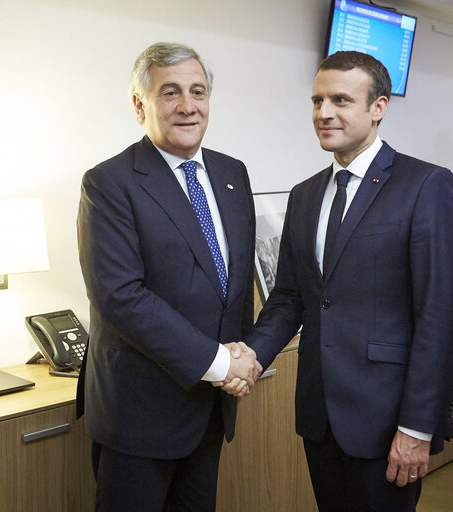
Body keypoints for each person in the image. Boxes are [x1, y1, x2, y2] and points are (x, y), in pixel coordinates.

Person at [220, 51, 453, 511]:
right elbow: (290, 297)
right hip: (319, 414)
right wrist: (251, 353)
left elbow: (441, 317)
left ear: (379, 107)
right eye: (317, 101)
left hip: (388, 419)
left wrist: (418, 427)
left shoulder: (425, 185)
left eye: (340, 100)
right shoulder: (305, 194)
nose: (324, 113)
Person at [77, 42, 261, 512]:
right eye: (170, 92)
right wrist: (222, 364)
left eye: (197, 92)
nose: (187, 106)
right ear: (140, 105)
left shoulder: (231, 173)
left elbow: (235, 283)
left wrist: (243, 353)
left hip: (209, 409)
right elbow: (121, 298)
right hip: (139, 416)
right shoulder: (109, 183)